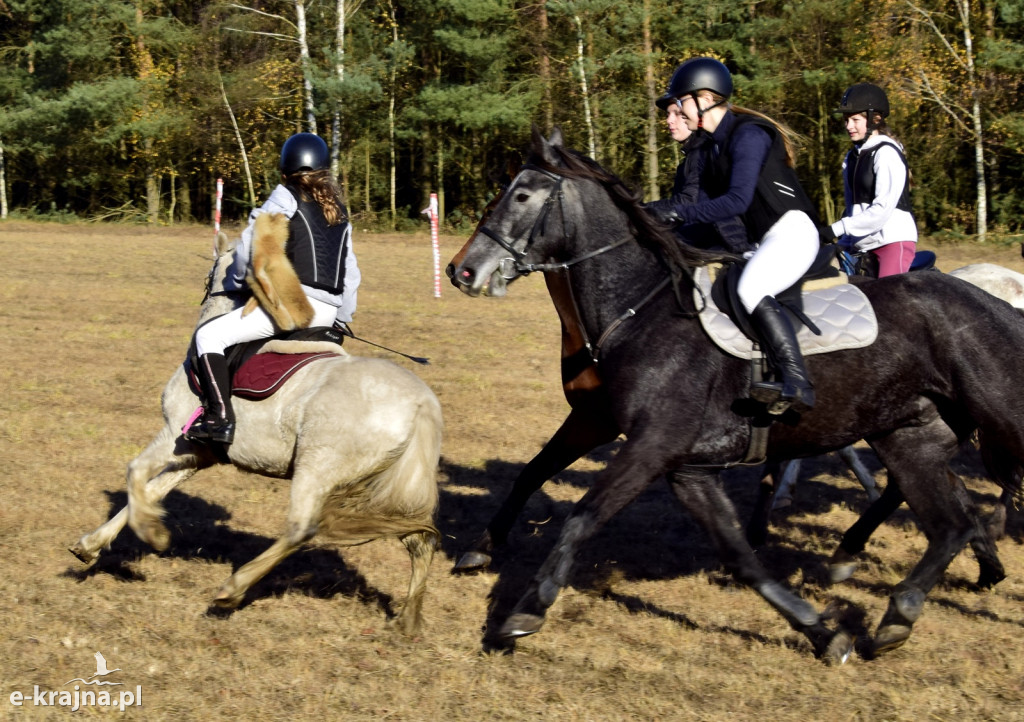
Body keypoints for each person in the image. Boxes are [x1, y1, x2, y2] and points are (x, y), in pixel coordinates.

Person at [646, 57, 822, 413]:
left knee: (750, 288)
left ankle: (797, 381)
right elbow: (704, 206)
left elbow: (737, 201)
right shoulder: (712, 146)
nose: (675, 111)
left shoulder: (749, 134)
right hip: (766, 238)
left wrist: (678, 211)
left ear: (703, 99)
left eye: (680, 102)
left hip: (792, 232)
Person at [186, 132, 361, 445]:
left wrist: (235, 283)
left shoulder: (286, 197)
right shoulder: (339, 210)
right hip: (329, 312)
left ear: (284, 173)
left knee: (208, 335)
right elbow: (351, 273)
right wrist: (341, 315)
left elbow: (249, 248)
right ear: (323, 171)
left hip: (293, 308)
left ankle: (219, 418)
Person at [820, 83, 917, 277]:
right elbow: (853, 210)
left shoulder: (886, 153)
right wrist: (842, 241)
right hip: (864, 245)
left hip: (892, 241)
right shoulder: (851, 158)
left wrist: (836, 229)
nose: (848, 126)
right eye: (846, 120)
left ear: (875, 119)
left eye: (855, 119)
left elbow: (881, 211)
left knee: (890, 304)